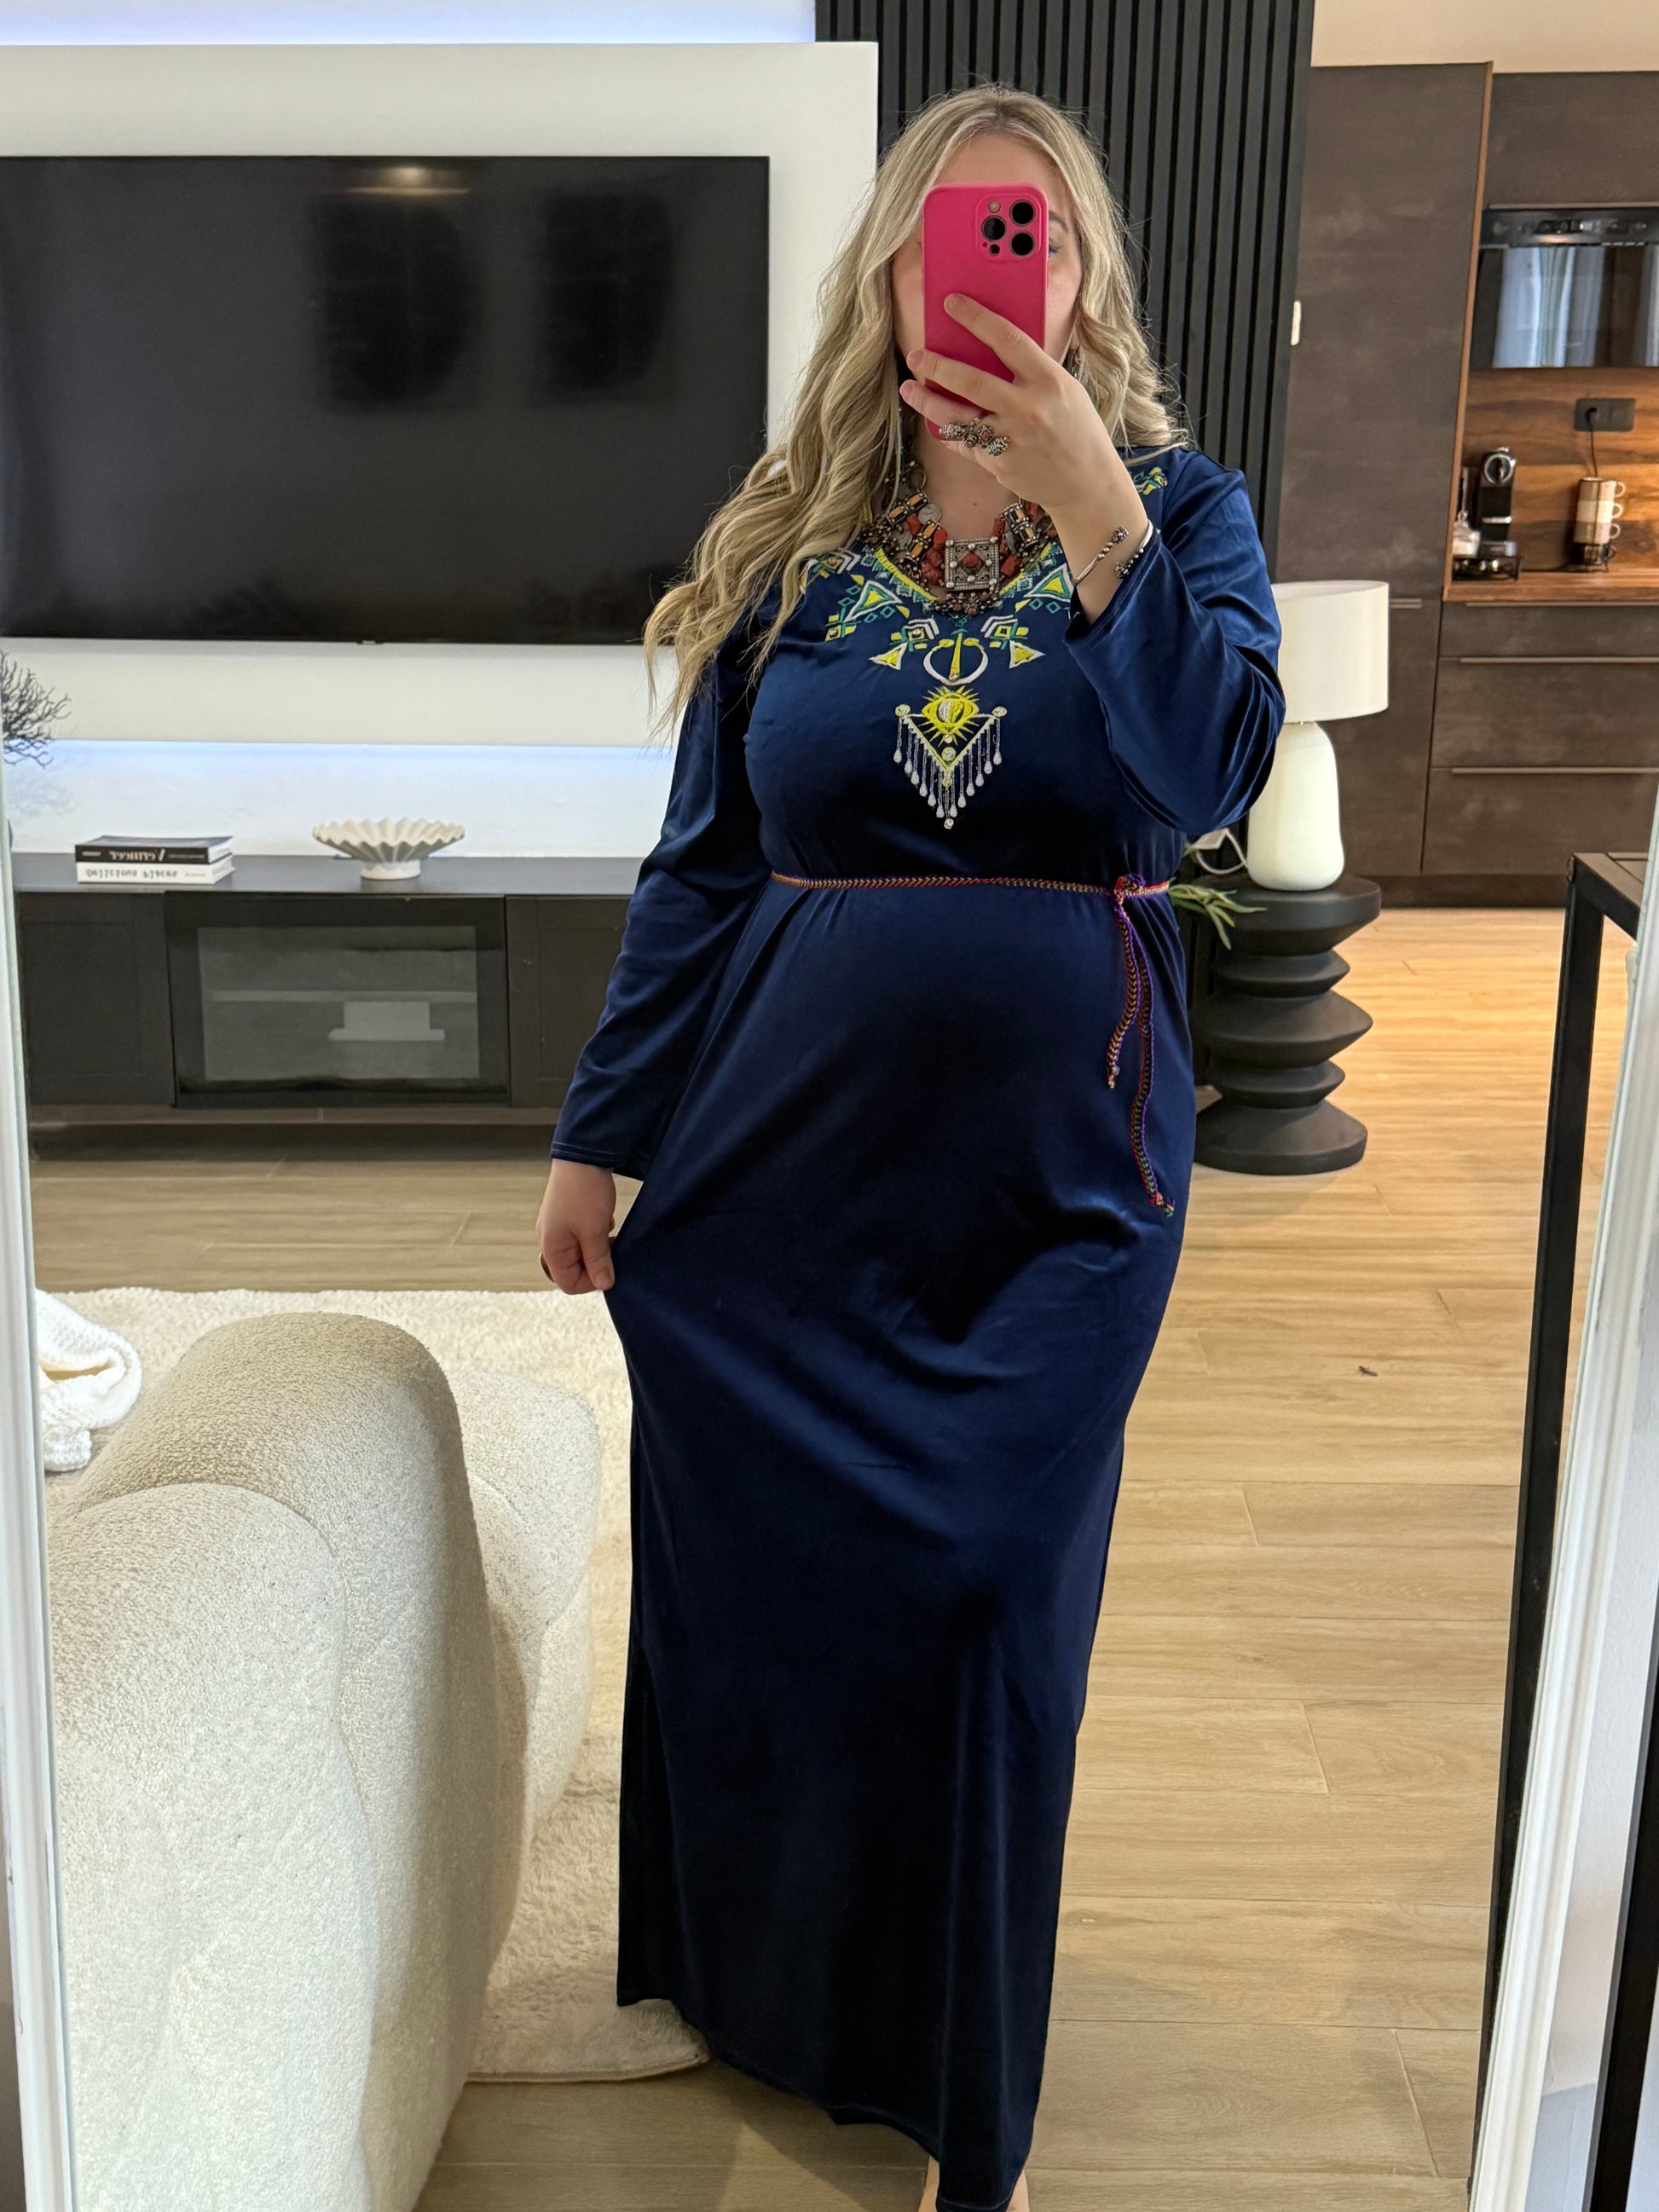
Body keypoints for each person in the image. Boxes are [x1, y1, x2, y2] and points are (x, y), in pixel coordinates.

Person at [535, 81, 1283, 2212]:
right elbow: (702, 866)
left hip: (1061, 1180)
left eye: (1030, 234)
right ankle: (750, 1979)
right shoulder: (796, 546)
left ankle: (965, 2084)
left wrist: (1088, 505)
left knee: (982, 1598)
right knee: (760, 1577)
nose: (988, 272)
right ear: (888, 277)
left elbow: (1208, 772)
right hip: (775, 1175)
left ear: (1085, 272)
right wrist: (599, 1136)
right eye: (952, 235)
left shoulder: (1181, 512)